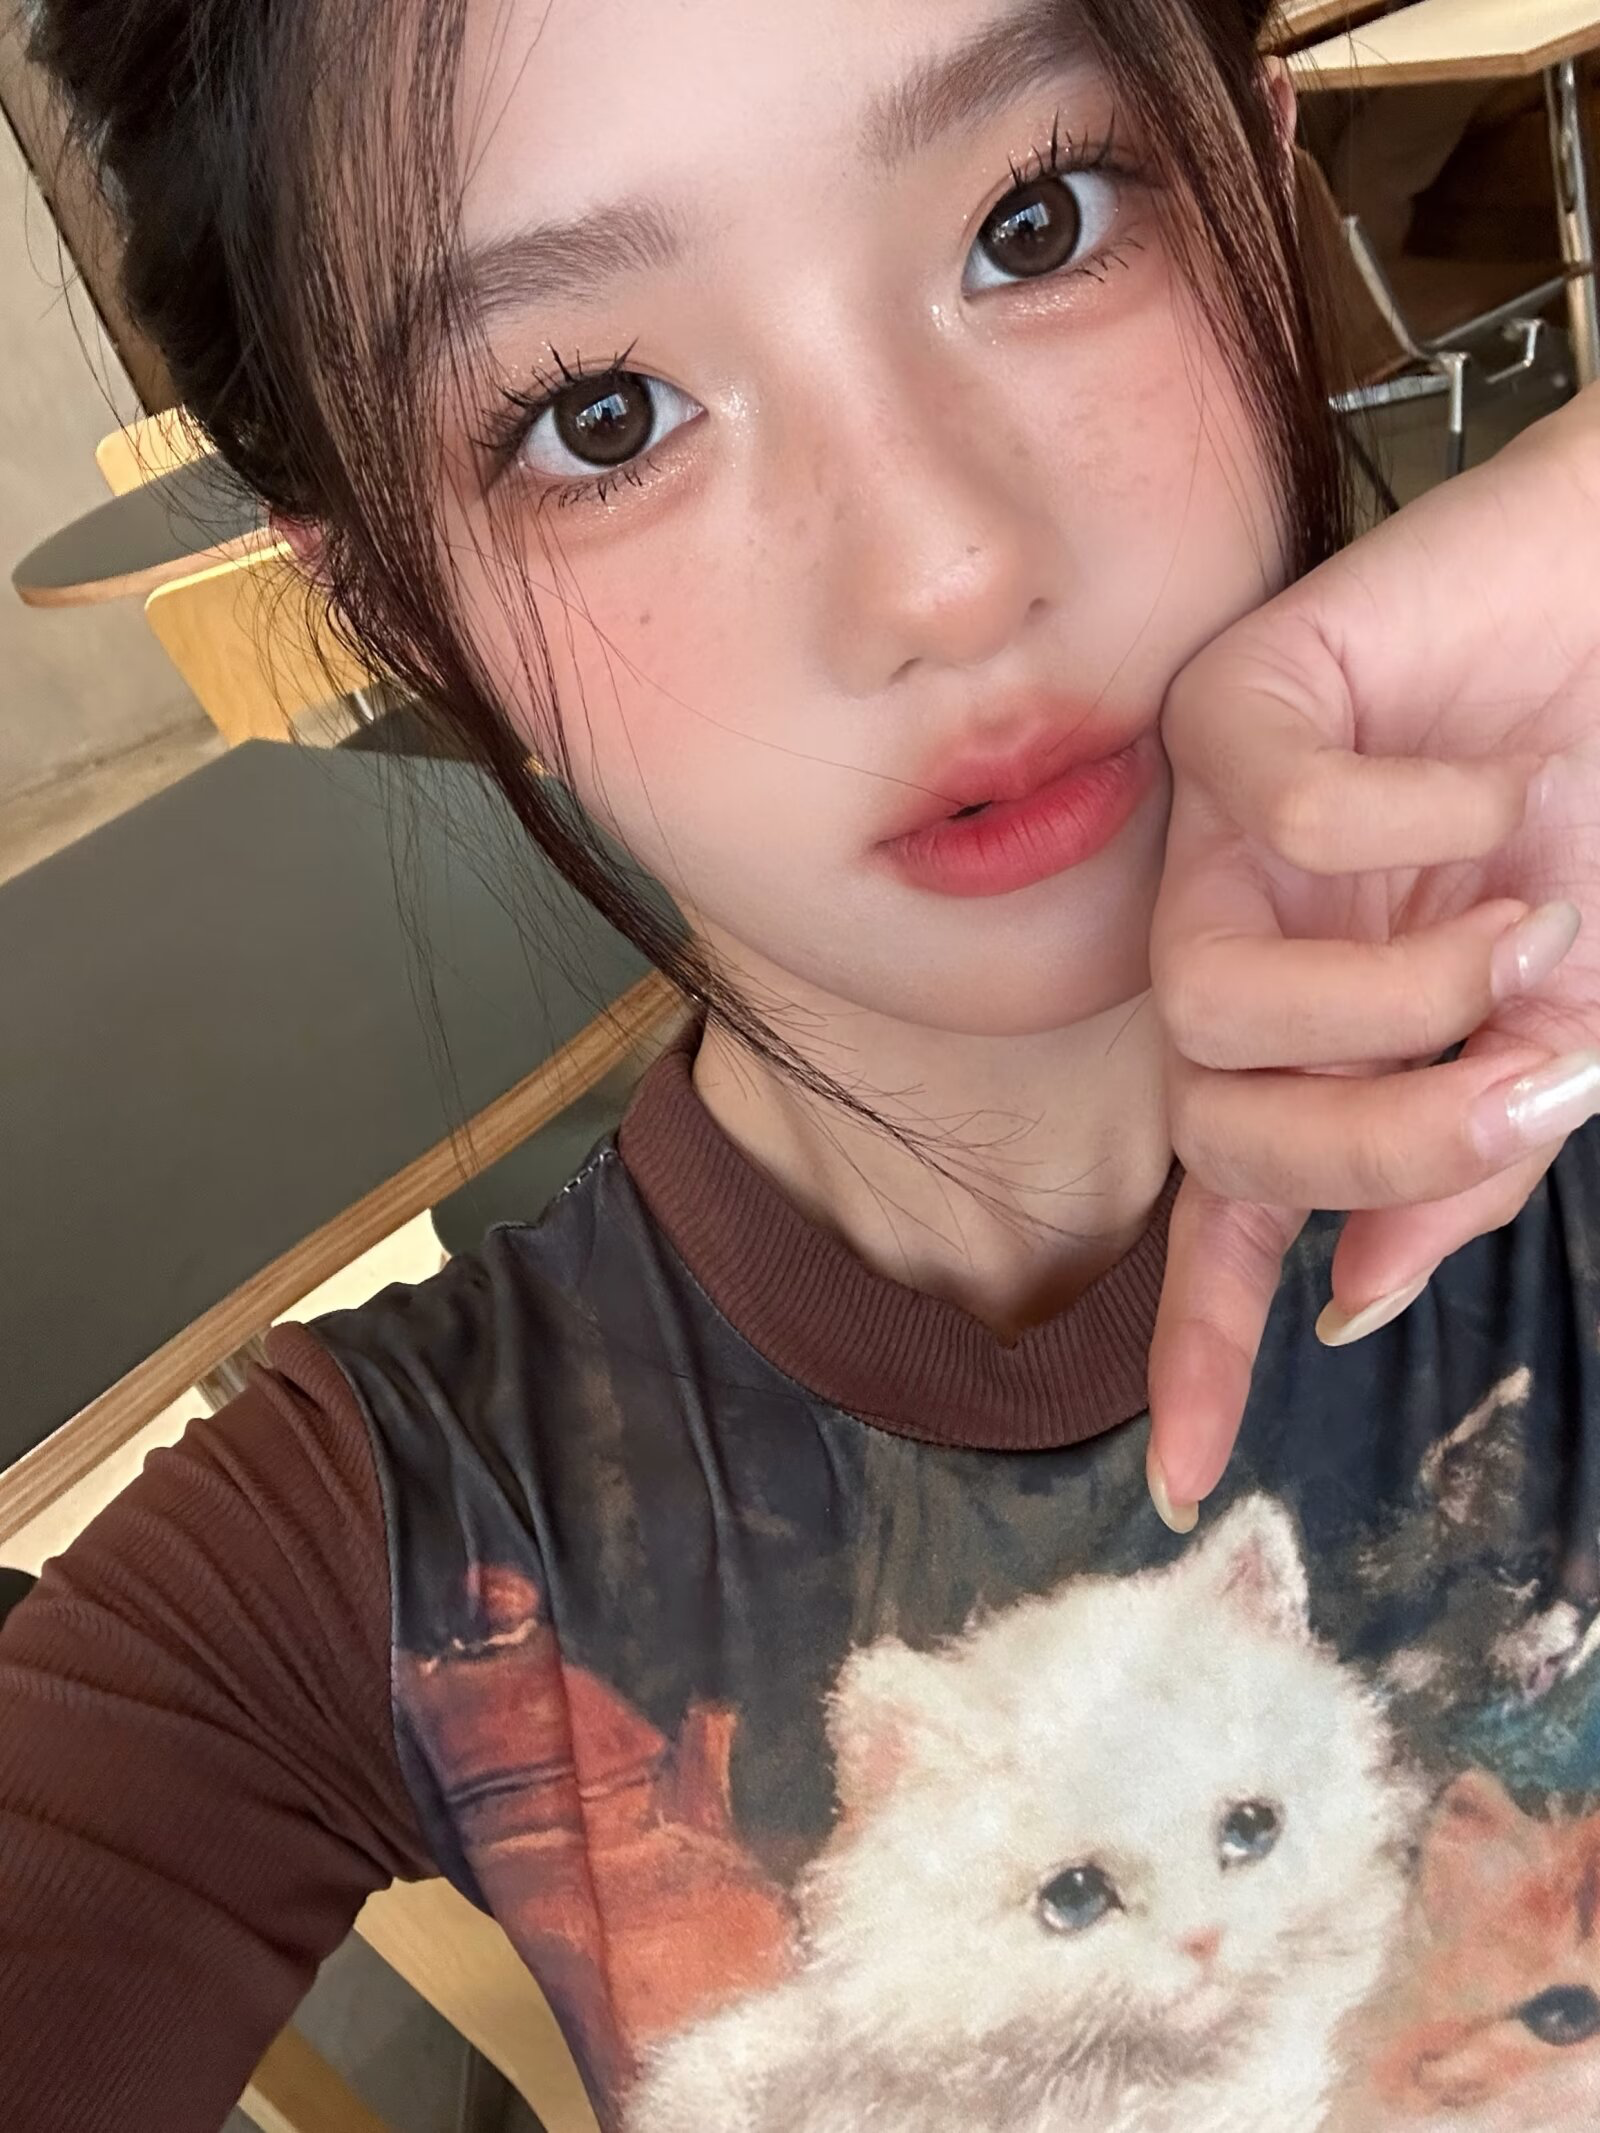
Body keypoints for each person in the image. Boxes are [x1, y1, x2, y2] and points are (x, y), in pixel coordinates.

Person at [4, 0, 1600, 2127]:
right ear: (397, 602)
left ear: (1258, 167)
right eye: (599, 419)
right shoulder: (372, 1556)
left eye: (1035, 223)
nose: (944, 569)